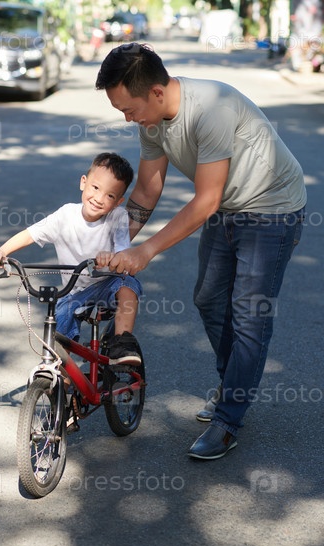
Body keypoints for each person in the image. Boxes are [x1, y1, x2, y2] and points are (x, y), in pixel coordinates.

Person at [95, 43, 306, 459]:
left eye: (129, 109)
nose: (127, 119)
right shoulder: (151, 120)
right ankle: (234, 386)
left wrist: (146, 251)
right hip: (229, 206)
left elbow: (206, 200)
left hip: (272, 209)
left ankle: (228, 419)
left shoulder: (211, 108)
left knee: (248, 314)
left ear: (157, 92)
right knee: (209, 299)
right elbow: (147, 189)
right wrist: (114, 243)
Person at [0, 152, 143, 366]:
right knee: (57, 337)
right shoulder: (66, 215)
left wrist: (112, 257)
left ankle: (122, 342)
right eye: (95, 188)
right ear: (83, 182)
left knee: (127, 283)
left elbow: (124, 254)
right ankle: (60, 375)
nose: (99, 199)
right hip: (74, 292)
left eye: (110, 196)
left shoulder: (118, 217)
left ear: (118, 202)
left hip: (106, 286)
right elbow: (30, 234)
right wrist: (2, 251)